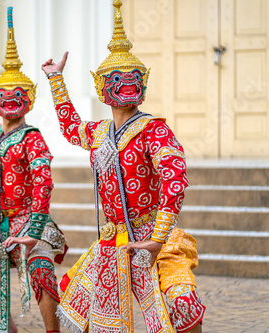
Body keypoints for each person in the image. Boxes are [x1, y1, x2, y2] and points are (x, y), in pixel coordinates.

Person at [42, 1, 205, 332]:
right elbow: (71, 127)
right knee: (73, 294)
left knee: (182, 304)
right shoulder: (100, 132)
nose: (126, 84)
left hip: (151, 234)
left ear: (142, 86)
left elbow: (175, 181)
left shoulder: (154, 130)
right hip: (112, 238)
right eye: (117, 78)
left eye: (132, 78)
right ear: (103, 88)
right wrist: (56, 79)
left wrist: (158, 238)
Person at [0, 7, 66, 333]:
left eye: (19, 95)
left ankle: (53, 331)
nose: (11, 100)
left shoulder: (32, 138)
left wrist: (34, 232)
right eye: (4, 96)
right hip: (0, 224)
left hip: (29, 222)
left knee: (40, 271)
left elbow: (43, 184)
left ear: (29, 100)